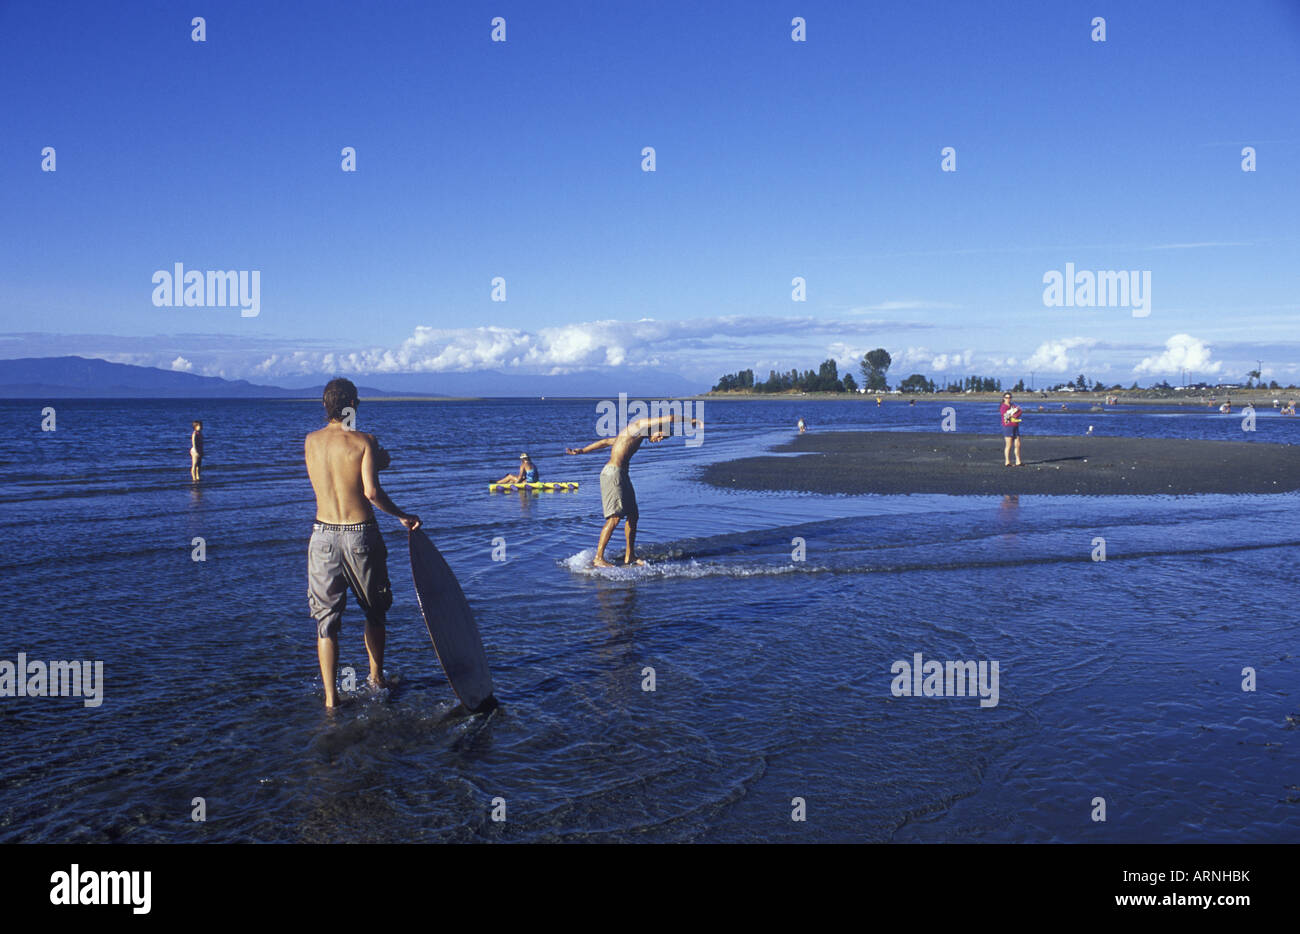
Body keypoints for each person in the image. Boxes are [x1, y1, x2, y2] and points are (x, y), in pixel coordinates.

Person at [304, 378, 421, 709]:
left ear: (325, 406)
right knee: (374, 610)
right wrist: (401, 514)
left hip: (322, 533)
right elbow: (369, 492)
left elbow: (332, 474)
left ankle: (331, 699)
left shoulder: (310, 441)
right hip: (360, 533)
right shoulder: (365, 441)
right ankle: (376, 678)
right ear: (352, 405)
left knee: (326, 622)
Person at [566, 412, 702, 567]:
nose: (659, 440)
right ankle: (598, 558)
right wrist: (690, 420)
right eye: (661, 436)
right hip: (613, 474)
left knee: (633, 515)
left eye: (662, 439)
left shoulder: (638, 437)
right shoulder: (638, 426)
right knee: (615, 517)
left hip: (622, 475)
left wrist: (583, 450)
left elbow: (605, 441)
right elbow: (670, 417)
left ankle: (629, 556)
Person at [1000, 392, 1023, 467]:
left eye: (1009, 397)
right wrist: (1013, 414)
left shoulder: (1013, 405)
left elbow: (1020, 411)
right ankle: (1007, 462)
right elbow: (1006, 415)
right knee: (1009, 444)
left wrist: (1015, 414)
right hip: (1007, 427)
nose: (1008, 399)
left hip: (1015, 426)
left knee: (1018, 444)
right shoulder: (1003, 406)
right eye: (1006, 397)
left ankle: (1018, 461)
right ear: (1004, 398)